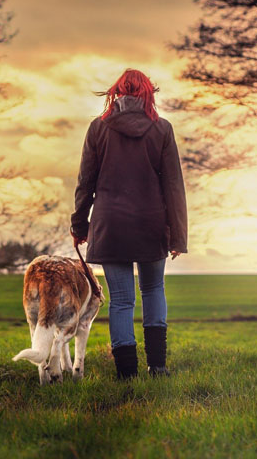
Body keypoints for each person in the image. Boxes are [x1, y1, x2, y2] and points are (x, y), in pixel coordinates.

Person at [70, 68, 188, 379]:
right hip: (151, 224)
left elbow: (86, 182)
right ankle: (158, 367)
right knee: (153, 290)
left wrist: (79, 226)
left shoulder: (98, 128)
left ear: (116, 93)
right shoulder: (162, 129)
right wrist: (177, 236)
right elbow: (173, 185)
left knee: (121, 300)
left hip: (111, 225)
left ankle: (126, 375)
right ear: (149, 94)